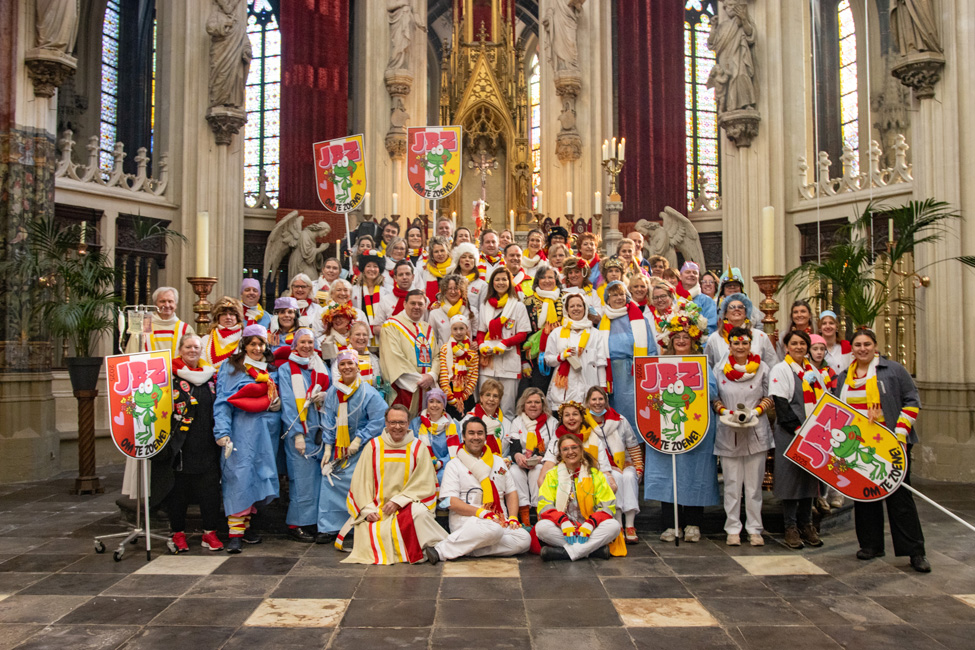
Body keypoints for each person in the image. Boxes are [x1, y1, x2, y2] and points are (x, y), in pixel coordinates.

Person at [833, 328, 928, 572]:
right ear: (851, 349)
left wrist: (900, 432)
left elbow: (912, 400)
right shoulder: (844, 377)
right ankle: (871, 545)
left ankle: (915, 551)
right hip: (860, 447)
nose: (862, 348)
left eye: (867, 344)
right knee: (864, 496)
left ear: (875, 345)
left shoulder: (894, 370)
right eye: (857, 345)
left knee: (900, 498)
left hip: (892, 444)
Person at [645, 314, 720, 543]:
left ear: (693, 340)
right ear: (669, 340)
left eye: (685, 336)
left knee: (695, 473)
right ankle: (670, 524)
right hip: (666, 426)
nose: (680, 340)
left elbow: (713, 393)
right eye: (676, 336)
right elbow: (650, 395)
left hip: (697, 427)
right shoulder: (658, 365)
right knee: (669, 473)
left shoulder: (703, 364)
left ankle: (694, 523)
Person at [343, 405, 447, 564]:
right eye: (393, 422)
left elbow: (424, 484)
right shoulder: (373, 446)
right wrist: (366, 509)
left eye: (402, 422)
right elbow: (360, 483)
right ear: (386, 423)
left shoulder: (418, 447)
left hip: (408, 504)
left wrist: (398, 501)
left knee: (420, 514)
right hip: (378, 508)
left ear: (408, 423)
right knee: (374, 528)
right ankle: (435, 548)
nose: (397, 427)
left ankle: (441, 548)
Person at [213, 324, 280, 553]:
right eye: (252, 343)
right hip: (240, 432)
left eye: (261, 343)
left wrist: (277, 406)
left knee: (259, 478)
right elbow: (222, 401)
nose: (257, 348)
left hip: (265, 434)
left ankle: (247, 527)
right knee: (238, 479)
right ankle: (235, 534)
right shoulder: (231, 368)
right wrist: (222, 432)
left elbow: (278, 397)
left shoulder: (271, 370)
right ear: (244, 345)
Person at [152, 334, 223, 553]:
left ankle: (209, 533)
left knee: (210, 491)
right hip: (181, 445)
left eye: (197, 347)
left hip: (208, 443)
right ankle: (178, 533)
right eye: (188, 346)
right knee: (179, 492)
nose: (193, 350)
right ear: (180, 350)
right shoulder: (168, 377)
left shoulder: (211, 377)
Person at [426, 417, 531, 563]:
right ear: (464, 436)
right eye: (471, 433)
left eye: (480, 433)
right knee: (493, 530)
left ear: (485, 436)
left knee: (524, 539)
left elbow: (511, 492)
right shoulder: (454, 465)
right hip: (468, 521)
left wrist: (513, 516)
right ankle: (440, 550)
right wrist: (481, 512)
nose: (476, 437)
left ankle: (467, 549)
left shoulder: (498, 461)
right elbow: (451, 502)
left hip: (500, 520)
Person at [711, 326, 774, 546]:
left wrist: (756, 411)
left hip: (756, 430)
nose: (740, 347)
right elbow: (714, 398)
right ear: (729, 345)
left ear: (751, 344)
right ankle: (733, 528)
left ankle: (755, 528)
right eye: (736, 343)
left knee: (754, 486)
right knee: (731, 484)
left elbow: (770, 396)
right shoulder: (719, 369)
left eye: (744, 343)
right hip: (729, 431)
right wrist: (724, 411)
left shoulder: (763, 368)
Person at [318, 349, 388, 545]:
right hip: (340, 448)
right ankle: (329, 526)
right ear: (338, 368)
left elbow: (378, 419)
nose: (347, 367)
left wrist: (359, 439)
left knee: (358, 481)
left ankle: (359, 522)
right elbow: (328, 419)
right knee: (328, 480)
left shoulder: (369, 393)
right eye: (343, 364)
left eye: (351, 363)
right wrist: (328, 448)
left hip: (362, 449)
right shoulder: (333, 392)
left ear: (358, 367)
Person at [768, 330, 825, 550]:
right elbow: (781, 405)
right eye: (794, 343)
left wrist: (815, 433)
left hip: (812, 436)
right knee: (790, 481)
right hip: (790, 433)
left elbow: (822, 401)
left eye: (803, 343)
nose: (799, 347)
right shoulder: (781, 369)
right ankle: (790, 527)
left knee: (809, 482)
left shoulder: (812, 372)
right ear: (786, 347)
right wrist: (800, 430)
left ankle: (807, 525)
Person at [534, 433, 626, 561]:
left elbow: (608, 506)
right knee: (541, 528)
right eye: (565, 449)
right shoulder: (552, 475)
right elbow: (544, 506)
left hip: (589, 528)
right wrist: (563, 522)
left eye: (574, 448)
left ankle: (565, 553)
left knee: (614, 526)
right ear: (560, 454)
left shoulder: (595, 475)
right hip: (563, 528)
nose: (570, 452)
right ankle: (593, 551)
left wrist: (591, 523)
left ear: (581, 450)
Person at [278, 328, 329, 543]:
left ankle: (314, 522)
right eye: (303, 342)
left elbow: (333, 391)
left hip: (320, 432)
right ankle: (296, 523)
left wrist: (326, 396)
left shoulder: (320, 366)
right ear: (295, 345)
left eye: (310, 342)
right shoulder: (285, 369)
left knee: (318, 480)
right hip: (299, 432)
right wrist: (297, 434)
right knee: (302, 481)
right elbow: (289, 403)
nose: (307, 346)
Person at [599, 280, 658, 431]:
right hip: (612, 374)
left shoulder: (640, 320)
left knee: (636, 411)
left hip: (634, 373)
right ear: (607, 299)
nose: (619, 298)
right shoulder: (602, 323)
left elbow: (651, 349)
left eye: (622, 294)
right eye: (614, 295)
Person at [478, 267, 530, 417]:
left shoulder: (518, 305)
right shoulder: (485, 306)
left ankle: (505, 438)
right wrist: (481, 345)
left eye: (504, 279)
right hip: (488, 362)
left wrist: (505, 343)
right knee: (486, 406)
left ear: (510, 282)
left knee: (507, 408)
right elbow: (481, 331)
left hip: (509, 361)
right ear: (492, 283)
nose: (501, 282)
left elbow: (522, 334)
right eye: (497, 279)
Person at [380, 290, 439, 415]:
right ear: (404, 304)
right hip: (404, 388)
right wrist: (420, 380)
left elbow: (436, 356)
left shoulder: (427, 328)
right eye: (413, 303)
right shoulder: (391, 325)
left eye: (420, 304)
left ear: (425, 306)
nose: (416, 307)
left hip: (426, 388)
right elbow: (393, 358)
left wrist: (432, 375)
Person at [544, 293, 605, 410]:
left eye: (579, 305)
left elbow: (601, 363)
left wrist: (602, 389)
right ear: (566, 310)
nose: (576, 309)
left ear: (585, 308)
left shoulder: (595, 334)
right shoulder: (557, 333)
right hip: (564, 391)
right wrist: (561, 356)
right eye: (572, 306)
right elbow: (548, 360)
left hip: (589, 388)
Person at [505, 388, 557, 525]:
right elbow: (514, 445)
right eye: (529, 402)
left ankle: (538, 511)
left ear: (543, 404)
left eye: (536, 402)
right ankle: (525, 516)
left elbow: (554, 447)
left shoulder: (552, 422)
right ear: (523, 405)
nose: (533, 405)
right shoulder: (517, 421)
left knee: (537, 471)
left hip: (542, 461)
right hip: (522, 460)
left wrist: (540, 458)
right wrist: (518, 457)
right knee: (514, 471)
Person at [704, 293, 777, 368]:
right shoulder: (714, 338)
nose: (736, 309)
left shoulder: (760, 336)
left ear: (746, 313)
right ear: (725, 314)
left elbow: (772, 364)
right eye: (732, 307)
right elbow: (708, 367)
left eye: (740, 307)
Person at [522, 264, 563, 393]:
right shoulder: (527, 302)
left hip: (561, 353)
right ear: (537, 281)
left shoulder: (566, 298)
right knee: (539, 391)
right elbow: (523, 332)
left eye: (550, 277)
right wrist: (524, 361)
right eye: (543, 277)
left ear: (556, 280)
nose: (547, 280)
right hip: (536, 356)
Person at [128, 286, 195, 352]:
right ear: (155, 305)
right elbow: (132, 354)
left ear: (175, 305)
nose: (167, 305)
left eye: (170, 301)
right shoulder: (142, 327)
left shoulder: (186, 329)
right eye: (162, 301)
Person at [438, 314, 480, 419]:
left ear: (467, 329)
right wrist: (450, 398)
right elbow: (443, 374)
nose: (459, 332)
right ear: (451, 330)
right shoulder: (445, 349)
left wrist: (465, 395)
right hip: (449, 392)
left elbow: (474, 377)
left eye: (462, 328)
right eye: (455, 329)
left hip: (467, 394)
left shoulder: (472, 352)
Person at [455, 378, 509, 457]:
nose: (491, 399)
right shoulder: (468, 420)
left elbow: (507, 451)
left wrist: (507, 460)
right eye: (488, 395)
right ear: (481, 398)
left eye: (495, 396)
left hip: (500, 463)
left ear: (499, 400)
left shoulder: (506, 423)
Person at [410, 389, 455, 484]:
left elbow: (456, 451)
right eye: (431, 401)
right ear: (426, 404)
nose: (434, 405)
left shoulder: (453, 425)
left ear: (444, 405)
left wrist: (440, 463)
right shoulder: (416, 423)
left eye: (438, 401)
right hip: (420, 466)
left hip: (446, 468)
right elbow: (411, 448)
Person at [428, 273, 477, 347]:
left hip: (467, 355)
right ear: (444, 291)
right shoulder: (435, 313)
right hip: (444, 356)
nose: (453, 292)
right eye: (449, 288)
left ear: (462, 290)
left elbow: (476, 335)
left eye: (456, 288)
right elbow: (431, 340)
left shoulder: (471, 311)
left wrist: (475, 344)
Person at [352, 249, 387, 349]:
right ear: (363, 269)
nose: (372, 269)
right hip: (361, 336)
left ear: (379, 269)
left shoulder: (387, 291)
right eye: (368, 266)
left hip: (381, 336)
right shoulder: (354, 290)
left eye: (375, 266)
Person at [334, 321, 381, 389]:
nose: (361, 338)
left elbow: (378, 383)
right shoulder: (341, 359)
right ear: (349, 338)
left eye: (365, 335)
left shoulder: (374, 359)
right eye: (358, 334)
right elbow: (337, 385)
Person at [201, 297, 244, 369]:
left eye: (232, 314)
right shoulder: (206, 340)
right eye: (224, 314)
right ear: (217, 317)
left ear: (237, 317)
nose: (228, 317)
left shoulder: (244, 340)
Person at [375, 261, 420, 327]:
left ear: (413, 277)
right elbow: (376, 327)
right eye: (400, 274)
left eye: (407, 274)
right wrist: (393, 333)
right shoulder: (385, 300)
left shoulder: (423, 300)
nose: (404, 277)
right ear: (395, 278)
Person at [678, 262, 718, 334]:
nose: (691, 274)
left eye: (695, 273)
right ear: (680, 276)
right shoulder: (673, 297)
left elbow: (711, 328)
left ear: (698, 277)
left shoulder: (706, 301)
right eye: (687, 272)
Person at [414, 235, 453, 304]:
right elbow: (423, 292)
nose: (440, 254)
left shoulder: (455, 267)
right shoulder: (427, 270)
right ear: (432, 254)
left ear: (447, 250)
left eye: (442, 250)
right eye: (436, 251)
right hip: (433, 309)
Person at [451, 242, 488, 314]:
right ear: (458, 261)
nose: (467, 259)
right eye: (463, 257)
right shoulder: (450, 281)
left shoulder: (482, 285)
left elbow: (483, 310)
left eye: (471, 257)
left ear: (475, 261)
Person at [818, 310, 852, 376]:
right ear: (820, 328)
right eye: (824, 323)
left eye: (831, 323)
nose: (828, 326)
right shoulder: (814, 348)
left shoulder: (846, 346)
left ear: (837, 326)